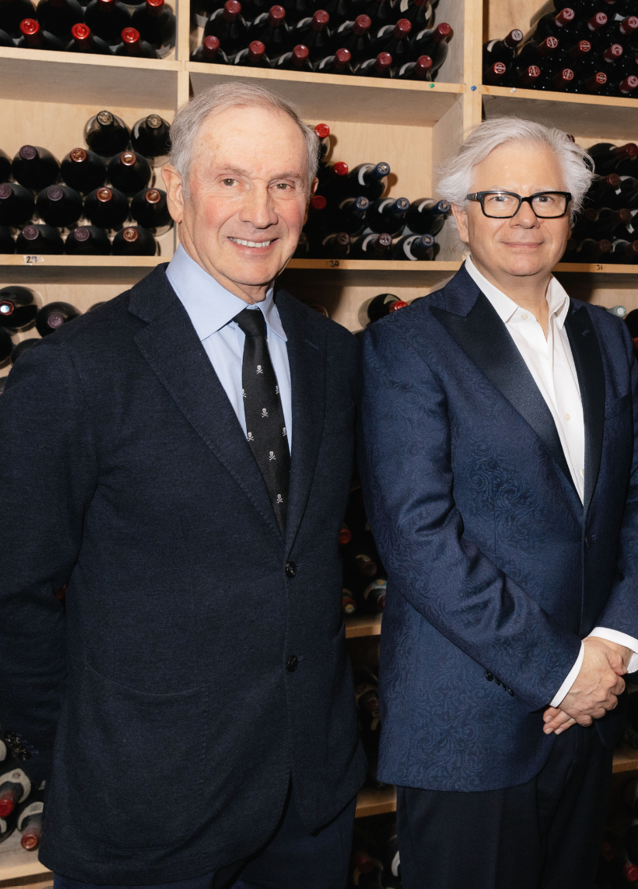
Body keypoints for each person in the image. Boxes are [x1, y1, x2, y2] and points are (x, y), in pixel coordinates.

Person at [0, 82, 365, 888]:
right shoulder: (72, 372)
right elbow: (12, 593)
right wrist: (97, 747)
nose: (260, 212)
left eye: (285, 184)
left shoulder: (337, 357)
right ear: (173, 189)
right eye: (230, 179)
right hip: (146, 816)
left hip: (311, 801)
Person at [357, 118, 638, 889]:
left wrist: (616, 643)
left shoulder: (605, 336)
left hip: (592, 709)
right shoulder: (409, 344)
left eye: (546, 197)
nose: (524, 216)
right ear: (461, 217)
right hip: (470, 721)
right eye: (498, 198)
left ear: (570, 213)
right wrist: (562, 671)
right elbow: (417, 537)